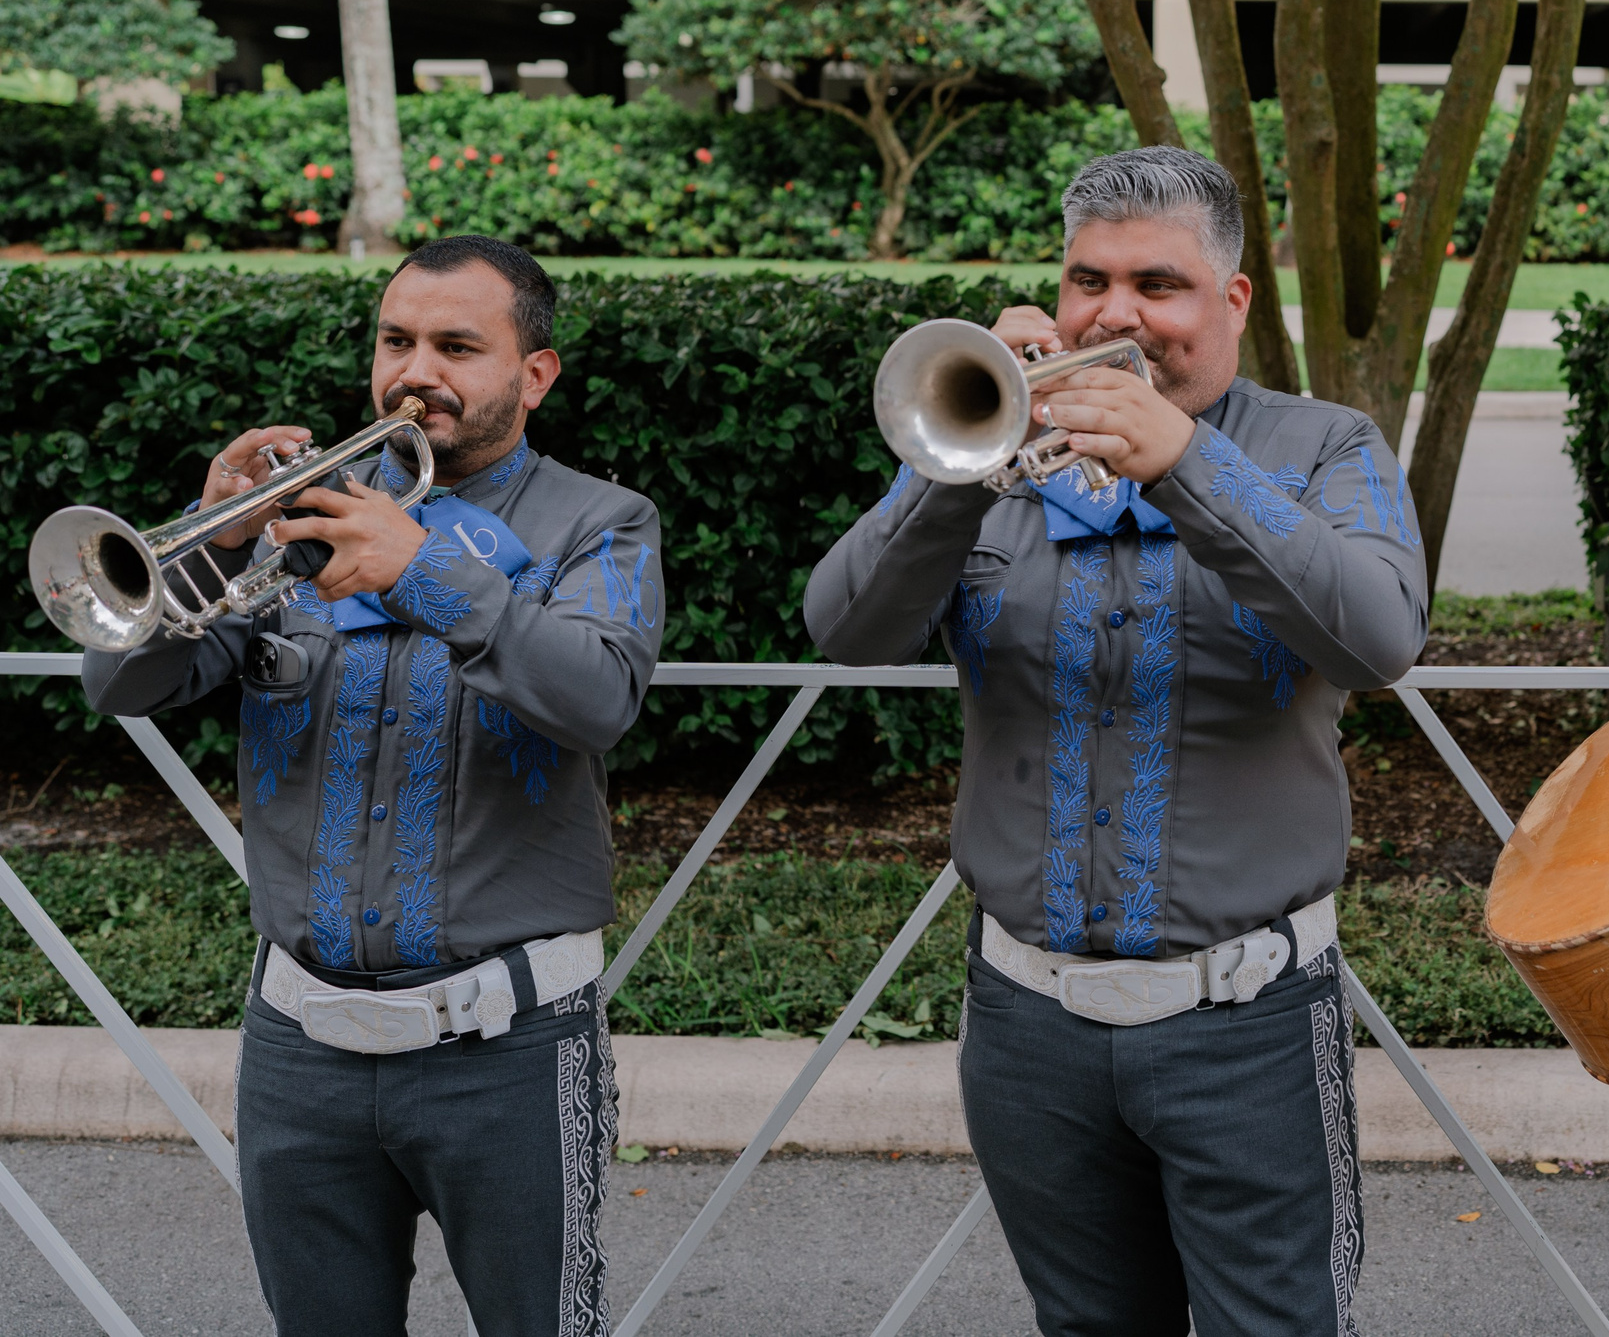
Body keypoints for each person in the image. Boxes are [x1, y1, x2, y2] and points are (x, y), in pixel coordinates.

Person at [806, 146, 1427, 1337]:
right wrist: (958, 467)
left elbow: (1380, 637)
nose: (1116, 315)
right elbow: (846, 628)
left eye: (1159, 285)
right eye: (1089, 280)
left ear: (1232, 301)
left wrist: (1191, 463)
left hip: (1245, 1021)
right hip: (1026, 1022)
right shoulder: (999, 454)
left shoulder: (1325, 448)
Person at [84, 236, 662, 1336]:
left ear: (533, 375)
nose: (415, 372)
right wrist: (211, 544)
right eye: (396, 341)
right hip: (298, 1048)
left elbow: (598, 698)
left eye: (456, 345)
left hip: (511, 1048)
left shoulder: (601, 523)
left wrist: (424, 570)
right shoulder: (299, 514)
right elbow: (122, 680)